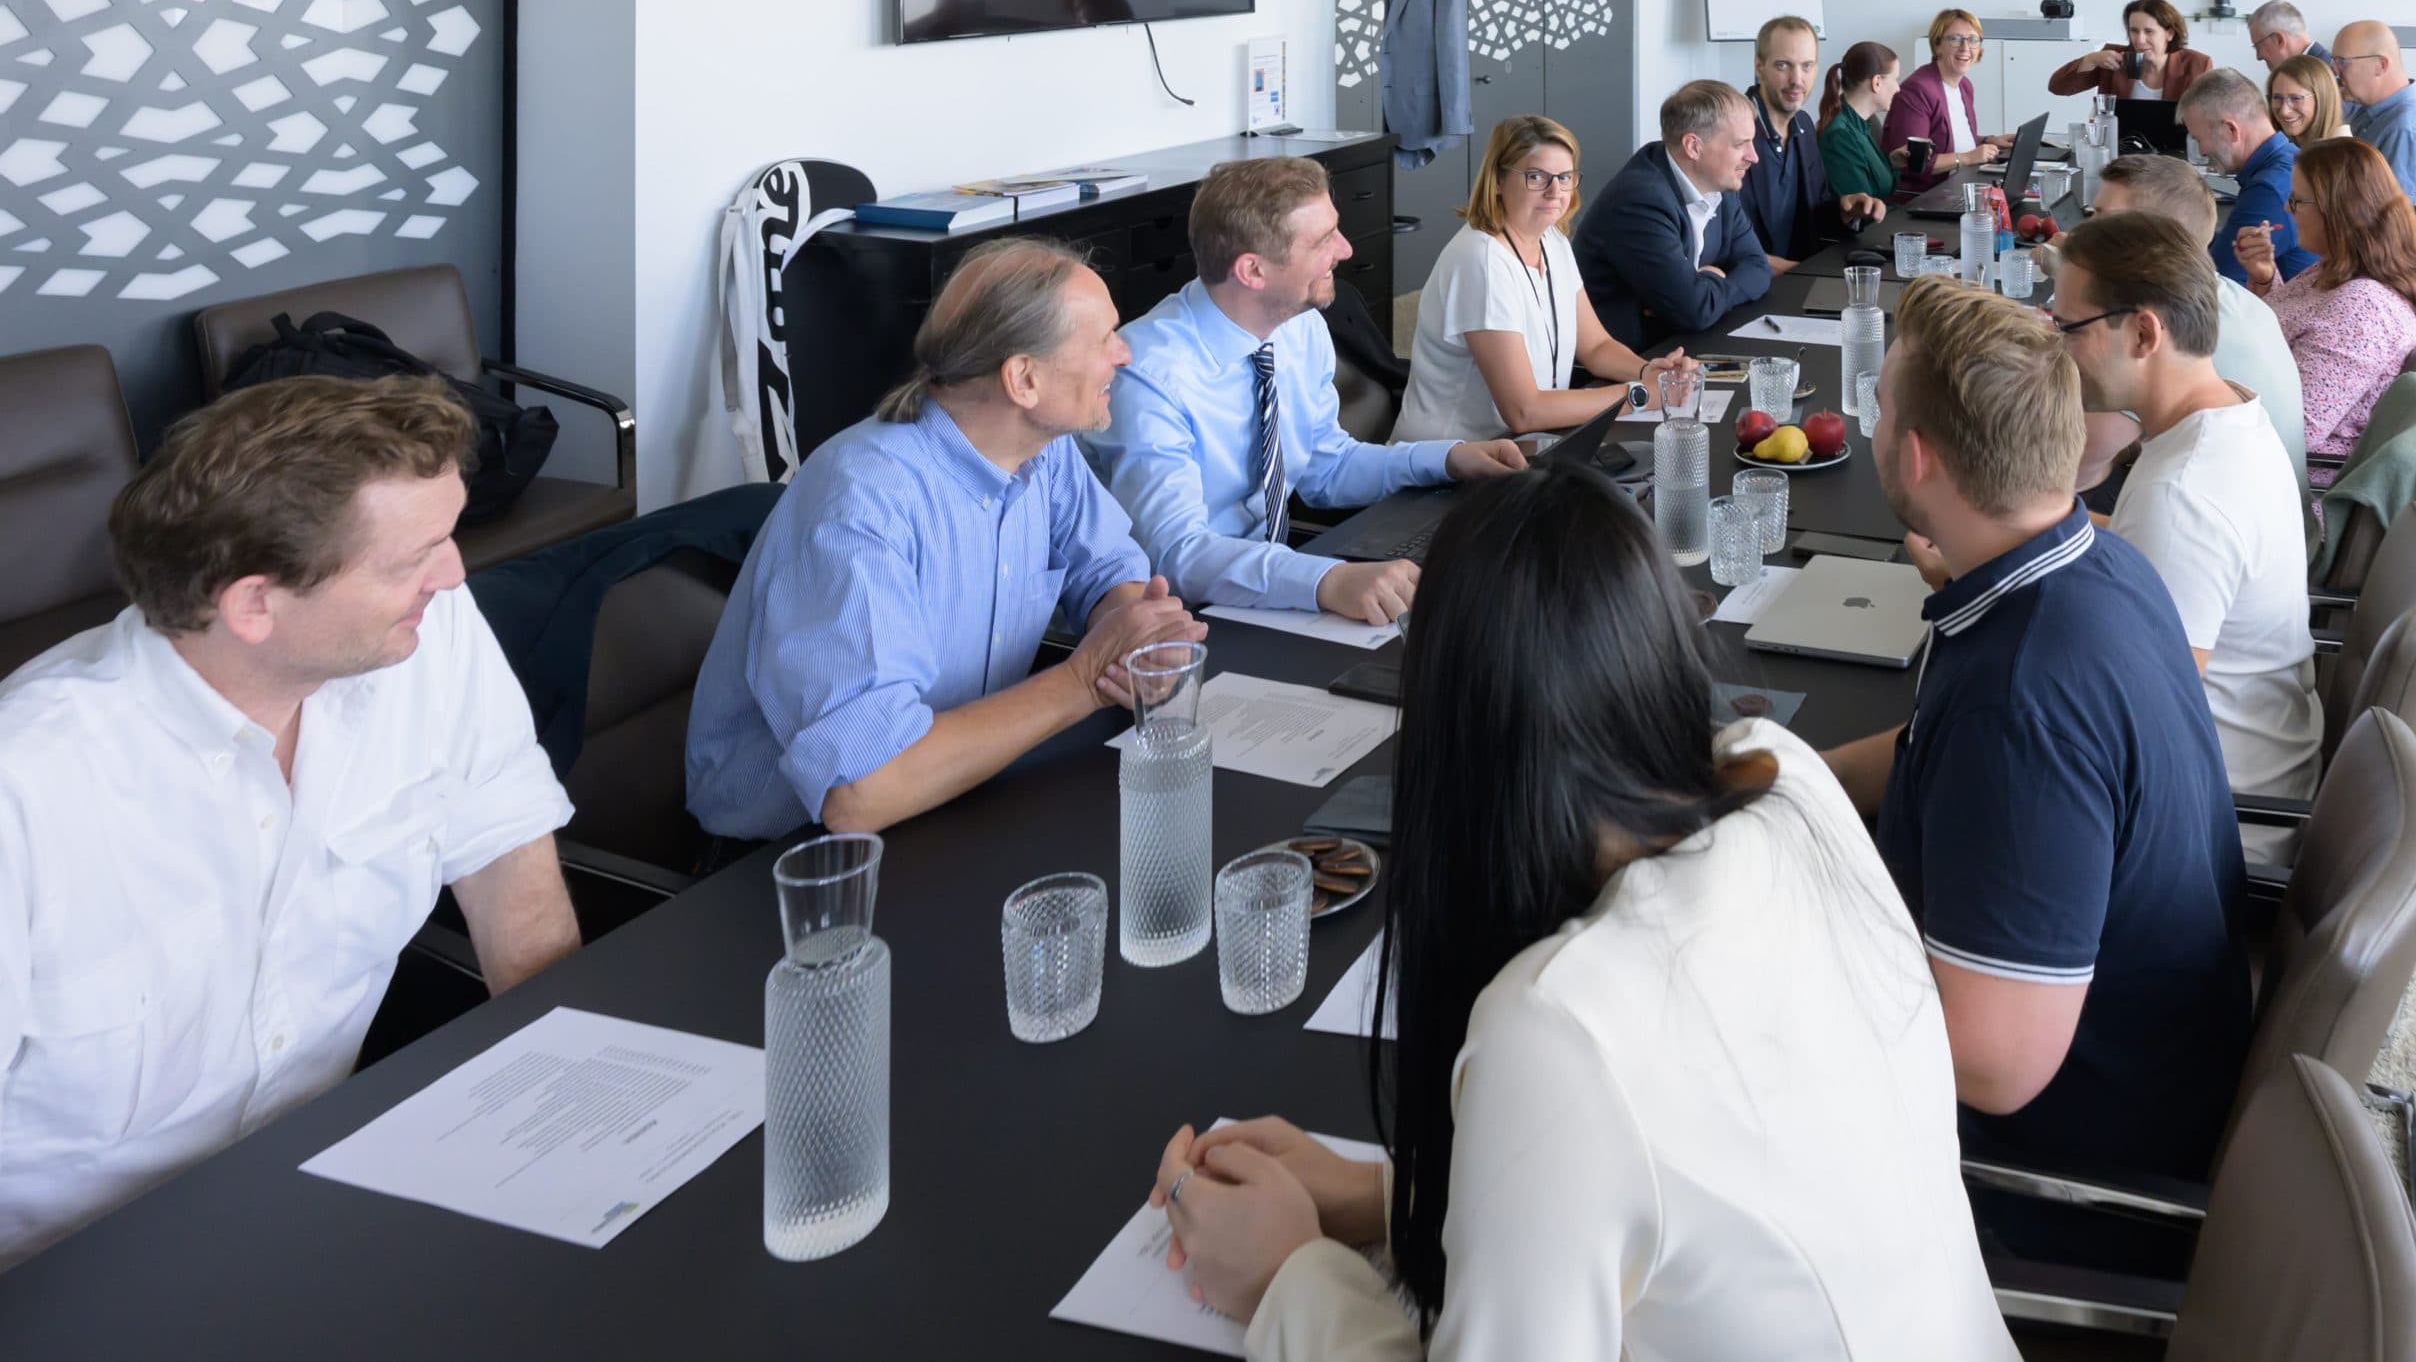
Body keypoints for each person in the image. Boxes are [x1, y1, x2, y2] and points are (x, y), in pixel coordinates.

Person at [1139, 465, 2018, 1359]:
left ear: (1450, 726)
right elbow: (1706, 1176)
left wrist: (1287, 1276)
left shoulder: (1558, 1023)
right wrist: (1392, 1194)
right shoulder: (1785, 779)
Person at [0, 377, 583, 1269]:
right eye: (409, 559)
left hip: (319, 1205)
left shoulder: (429, 636)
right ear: (253, 604)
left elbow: (509, 867)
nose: (454, 572)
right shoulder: (30, 790)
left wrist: (576, 1117)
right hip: (71, 1274)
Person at [1821, 277, 2251, 1210]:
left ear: (1920, 457)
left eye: (1882, 409)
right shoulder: (2097, 564)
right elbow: (1929, 746)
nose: (1871, 425)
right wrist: (1798, 779)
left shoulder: (2021, 707)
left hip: (2060, 1172)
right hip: (2144, 1056)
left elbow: (1992, 1068)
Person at [687, 239, 1205, 842]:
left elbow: (1109, 570)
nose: (1125, 353)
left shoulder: (1042, 448)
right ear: (1023, 380)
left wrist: (1135, 641)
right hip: (790, 863)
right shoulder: (860, 501)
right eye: (1103, 339)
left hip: (957, 796)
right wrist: (1084, 678)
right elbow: (862, 792)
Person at [1091, 158, 1526, 627]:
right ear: (1253, 270)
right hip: (1180, 619)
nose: (1344, 248)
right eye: (1322, 241)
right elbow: (1178, 554)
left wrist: (1445, 459)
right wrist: (1328, 581)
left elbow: (1325, 465)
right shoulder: (1147, 374)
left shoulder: (1299, 328)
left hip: (1271, 585)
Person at [2054, 213, 2321, 808]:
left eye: (2068, 328)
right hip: (2251, 767)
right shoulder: (2231, 413)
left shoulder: (2182, 495)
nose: (2060, 350)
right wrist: (2033, 532)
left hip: (2220, 819)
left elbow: (2135, 724)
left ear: (2145, 335)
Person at [1391, 115, 1687, 440]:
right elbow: (1523, 411)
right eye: (1536, 177)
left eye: (1564, 176)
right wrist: (1639, 395)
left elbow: (1596, 346)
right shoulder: (1481, 260)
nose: (1554, 191)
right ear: (1498, 181)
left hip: (1521, 448)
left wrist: (1650, 373)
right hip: (1448, 466)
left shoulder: (1552, 240)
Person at [2089, 155, 2308, 490]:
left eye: (2103, 222)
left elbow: (2081, 460)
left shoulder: (2160, 325)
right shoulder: (2235, 297)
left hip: (2214, 526)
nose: (2087, 233)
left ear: (2155, 238)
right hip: (2272, 522)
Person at [2237, 137, 2416, 485]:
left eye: (2297, 201)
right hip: (2264, 450)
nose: (2288, 210)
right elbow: (2293, 329)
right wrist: (2264, 278)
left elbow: (2294, 430)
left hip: (2288, 484)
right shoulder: (2341, 267)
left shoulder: (2362, 309)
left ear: (2339, 211)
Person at [1576, 81, 1773, 350]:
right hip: (1630, 363)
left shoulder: (1720, 185)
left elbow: (1758, 267)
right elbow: (1693, 310)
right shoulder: (1640, 200)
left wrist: (1707, 286)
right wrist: (1717, 278)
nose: (1754, 157)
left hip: (1679, 347)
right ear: (1693, 147)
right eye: (1741, 144)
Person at [1737, 15, 1884, 265]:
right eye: (1783, 65)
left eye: (1806, 66)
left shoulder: (1803, 124)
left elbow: (1814, 214)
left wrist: (1845, 210)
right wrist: (1793, 273)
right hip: (1756, 287)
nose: (1797, 79)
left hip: (1802, 275)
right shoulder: (1734, 133)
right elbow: (1725, 243)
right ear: (1759, 67)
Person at [2175, 67, 2316, 284]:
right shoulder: (2291, 159)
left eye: (2199, 139)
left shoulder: (2268, 190)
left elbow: (2217, 281)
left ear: (2231, 130)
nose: (2202, 151)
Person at [1882, 8, 2008, 196]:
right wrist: (1968, 158)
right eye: (1955, 39)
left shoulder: (1964, 86)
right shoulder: (1917, 90)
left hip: (1958, 187)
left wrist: (1989, 140)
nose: (1966, 48)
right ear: (1937, 45)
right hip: (1922, 199)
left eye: (1973, 40)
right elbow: (1914, 163)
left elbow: (1949, 139)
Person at [2335, 21, 2416, 208]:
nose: (2336, 72)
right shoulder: (2377, 112)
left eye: (2342, 62)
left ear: (2380, 65)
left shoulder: (2403, 130)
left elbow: (2395, 225)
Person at [2048, 0, 2212, 104]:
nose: (2140, 41)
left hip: (2173, 153)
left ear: (2169, 33)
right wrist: (2090, 59)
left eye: (2149, 32)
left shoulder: (2197, 64)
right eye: (2134, 31)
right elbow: (2057, 87)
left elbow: (2208, 117)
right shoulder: (2114, 59)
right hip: (2121, 149)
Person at [1817, 39, 1903, 216]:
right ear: (1876, 82)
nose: (1898, 88)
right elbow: (1865, 213)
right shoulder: (1840, 135)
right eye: (1895, 79)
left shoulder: (1864, 122)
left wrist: (1892, 163)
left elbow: (1877, 185)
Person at [2268, 53, 2348, 147]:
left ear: (2322, 99)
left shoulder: (2344, 156)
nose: (2284, 111)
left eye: (2296, 98)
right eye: (2277, 98)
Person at [2245, 0, 2334, 71]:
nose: (2258, 56)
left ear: (2279, 40)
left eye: (2258, 46)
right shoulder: (2320, 69)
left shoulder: (2324, 77)